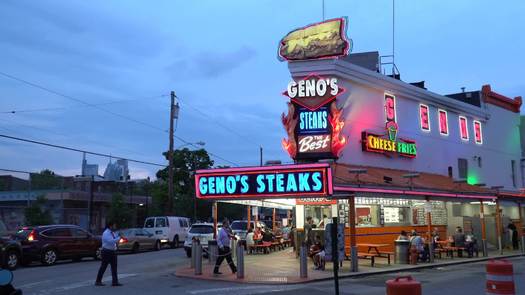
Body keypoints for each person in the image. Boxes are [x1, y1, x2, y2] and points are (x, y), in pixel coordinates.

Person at [95, 222, 122, 287]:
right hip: (106, 252)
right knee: (103, 267)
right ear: (110, 226)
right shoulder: (106, 233)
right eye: (114, 225)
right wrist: (119, 238)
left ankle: (115, 282)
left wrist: (119, 236)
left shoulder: (112, 233)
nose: (115, 227)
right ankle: (98, 281)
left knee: (114, 267)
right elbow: (111, 241)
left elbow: (115, 238)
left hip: (113, 252)